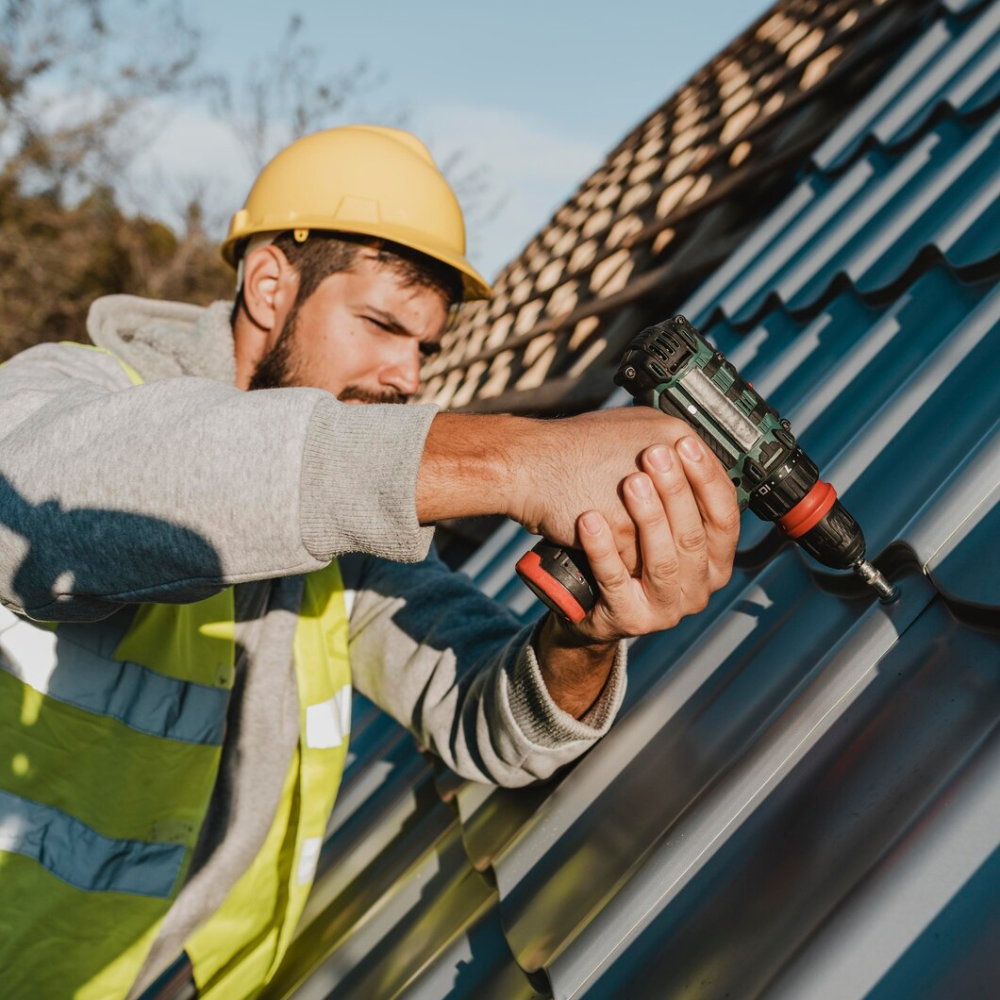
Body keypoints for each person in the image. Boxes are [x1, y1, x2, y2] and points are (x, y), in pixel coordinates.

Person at [0, 126, 740, 999]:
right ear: (269, 284)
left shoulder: (341, 550)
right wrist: (514, 458)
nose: (406, 377)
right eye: (383, 325)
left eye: (424, 346)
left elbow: (492, 723)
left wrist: (591, 630)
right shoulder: (65, 393)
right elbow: (52, 509)